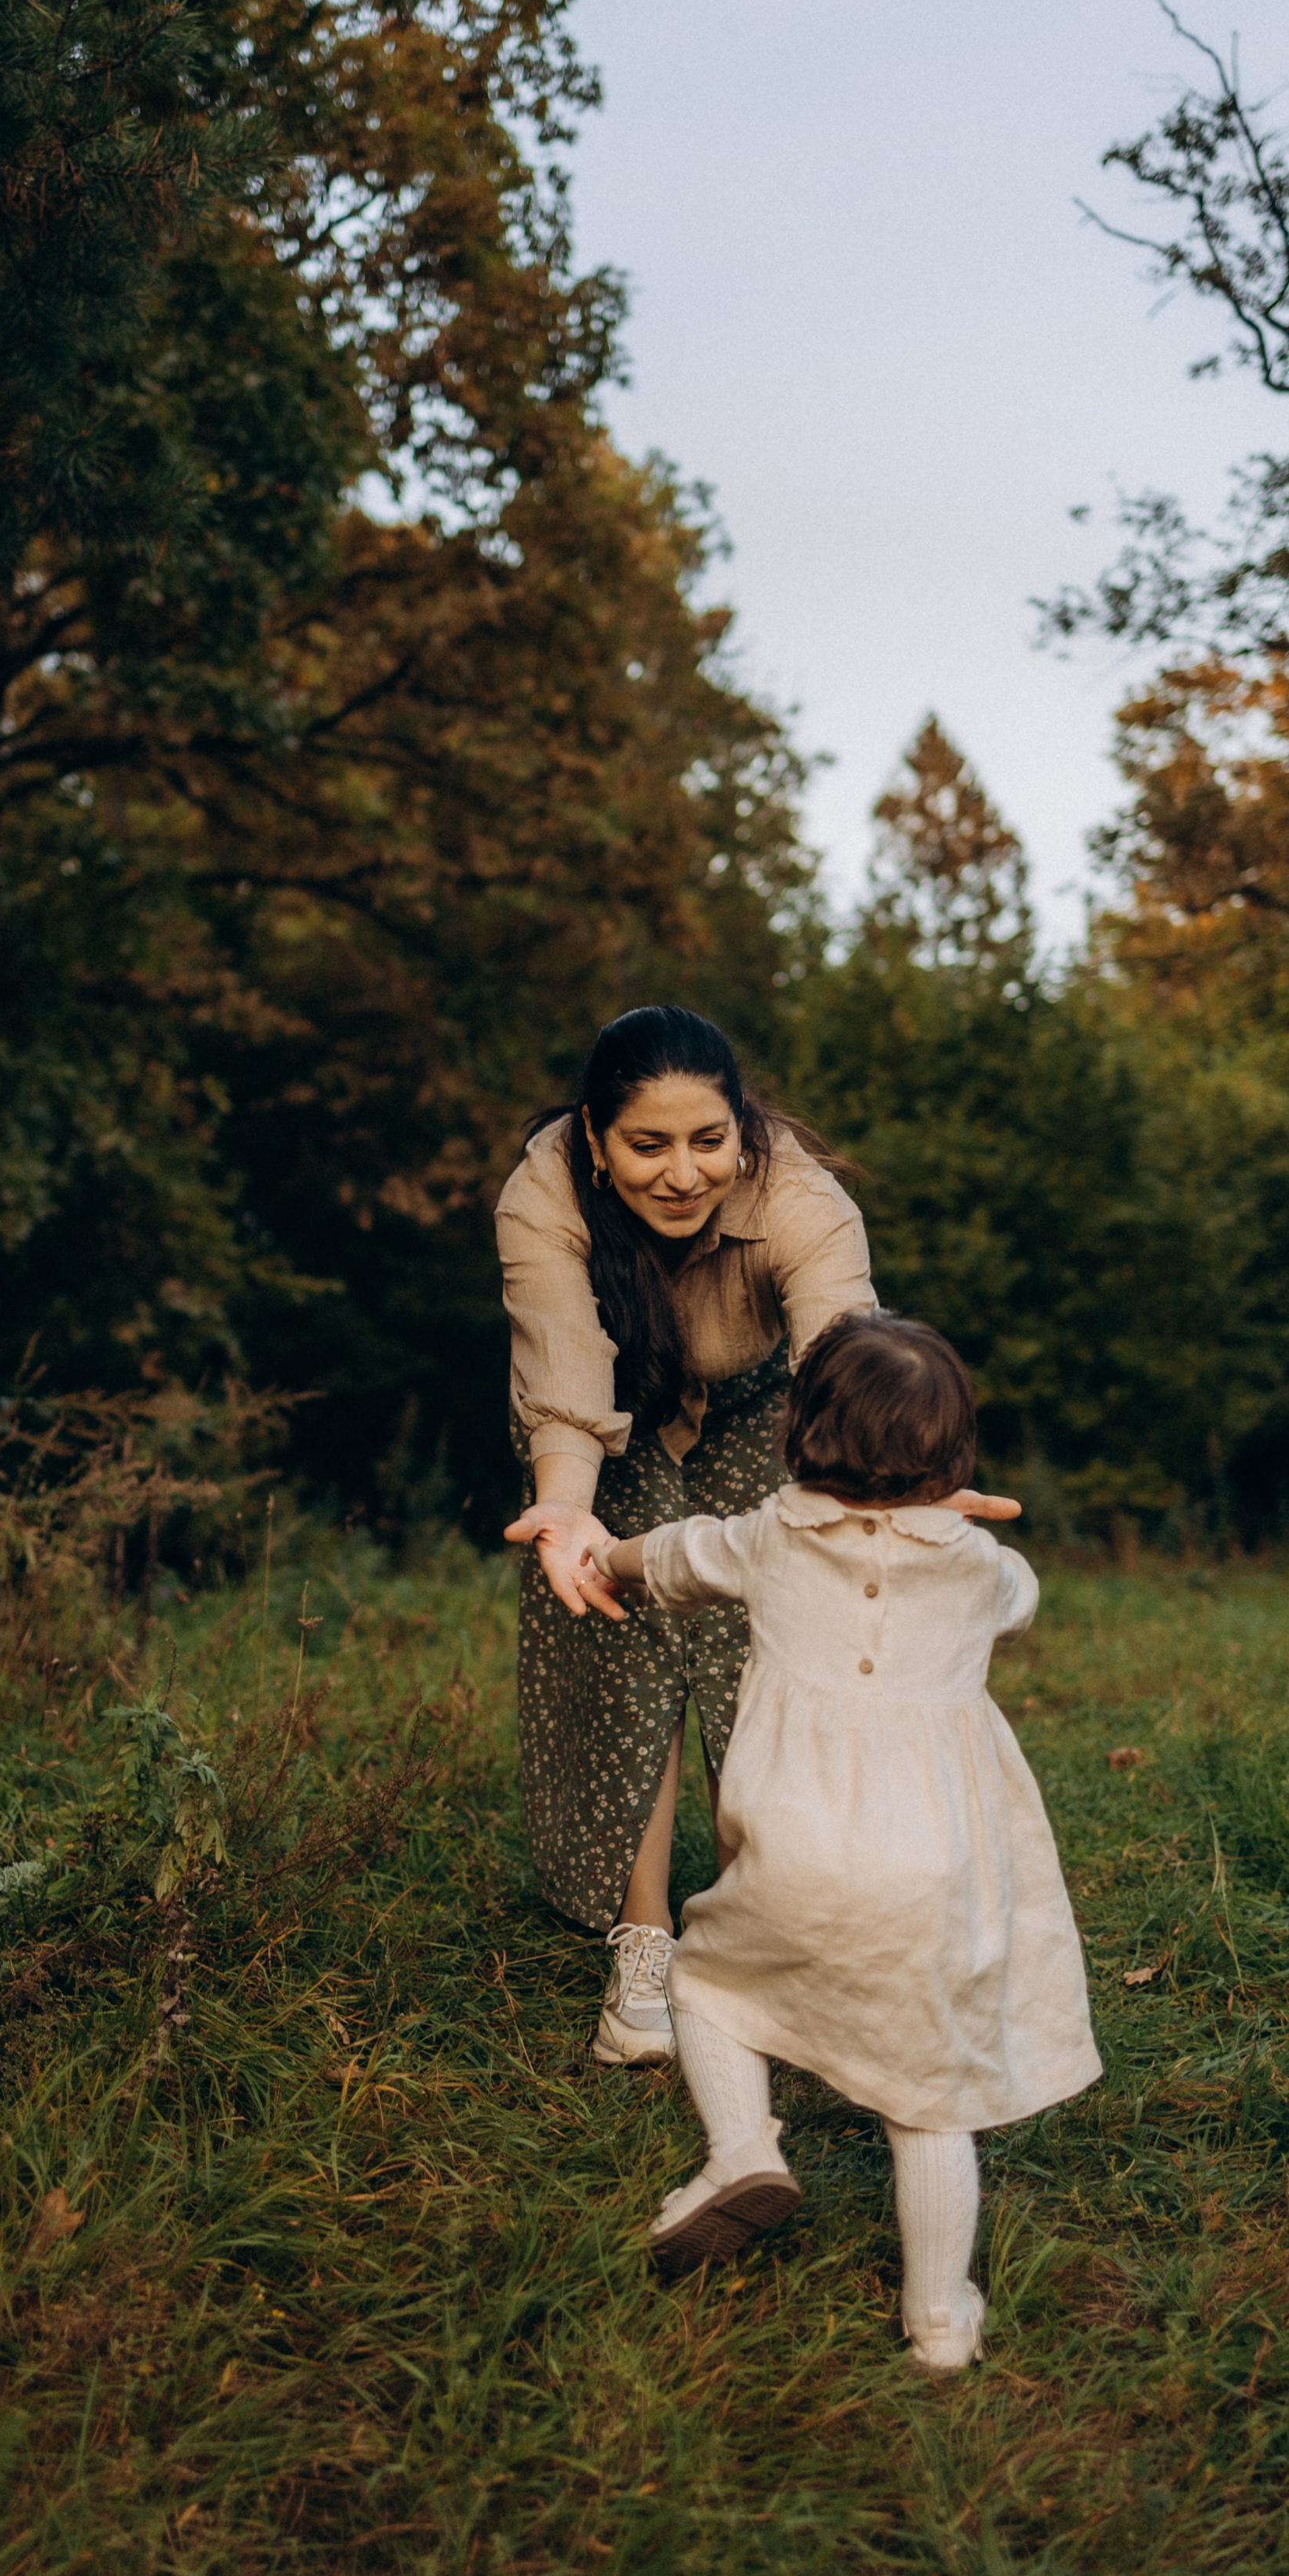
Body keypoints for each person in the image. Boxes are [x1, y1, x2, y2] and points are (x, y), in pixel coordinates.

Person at [527, 1309, 1101, 2372]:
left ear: (802, 1431)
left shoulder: (769, 1535)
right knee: (928, 2098)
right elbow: (1021, 1597)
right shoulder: (978, 1570)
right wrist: (962, 1532)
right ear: (954, 1453)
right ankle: (938, 2320)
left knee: (707, 1987)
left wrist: (606, 1552)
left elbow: (676, 1556)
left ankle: (742, 2152)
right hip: (930, 1869)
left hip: (793, 1846)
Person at [495, 1004, 1014, 2068]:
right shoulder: (544, 1190)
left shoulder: (801, 1199)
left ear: (743, 1130)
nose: (684, 1174)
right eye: (648, 1146)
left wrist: (894, 1487)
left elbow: (847, 1351)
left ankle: (769, 1938)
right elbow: (561, 1368)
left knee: (764, 1650)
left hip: (772, 1416)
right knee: (620, 1631)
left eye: (708, 1141)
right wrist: (566, 1507)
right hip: (613, 1421)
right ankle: (645, 1949)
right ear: (595, 1140)